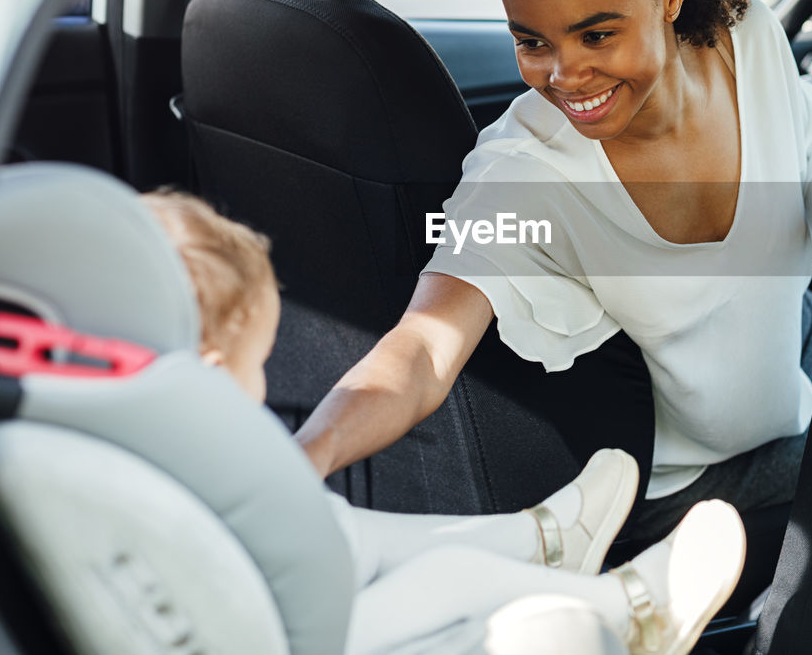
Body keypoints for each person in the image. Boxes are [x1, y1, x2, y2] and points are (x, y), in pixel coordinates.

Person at [295, 0, 812, 542]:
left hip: (792, 365)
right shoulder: (527, 175)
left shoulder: (746, 34)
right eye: (532, 41)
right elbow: (422, 349)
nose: (563, 76)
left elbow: (811, 155)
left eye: (597, 35)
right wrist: (305, 457)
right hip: (700, 483)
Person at [142, 190, 745, 655]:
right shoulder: (201, 465)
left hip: (247, 613)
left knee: (337, 522)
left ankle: (542, 543)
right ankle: (638, 613)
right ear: (212, 370)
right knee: (445, 577)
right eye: (258, 362)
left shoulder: (134, 438)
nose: (264, 382)